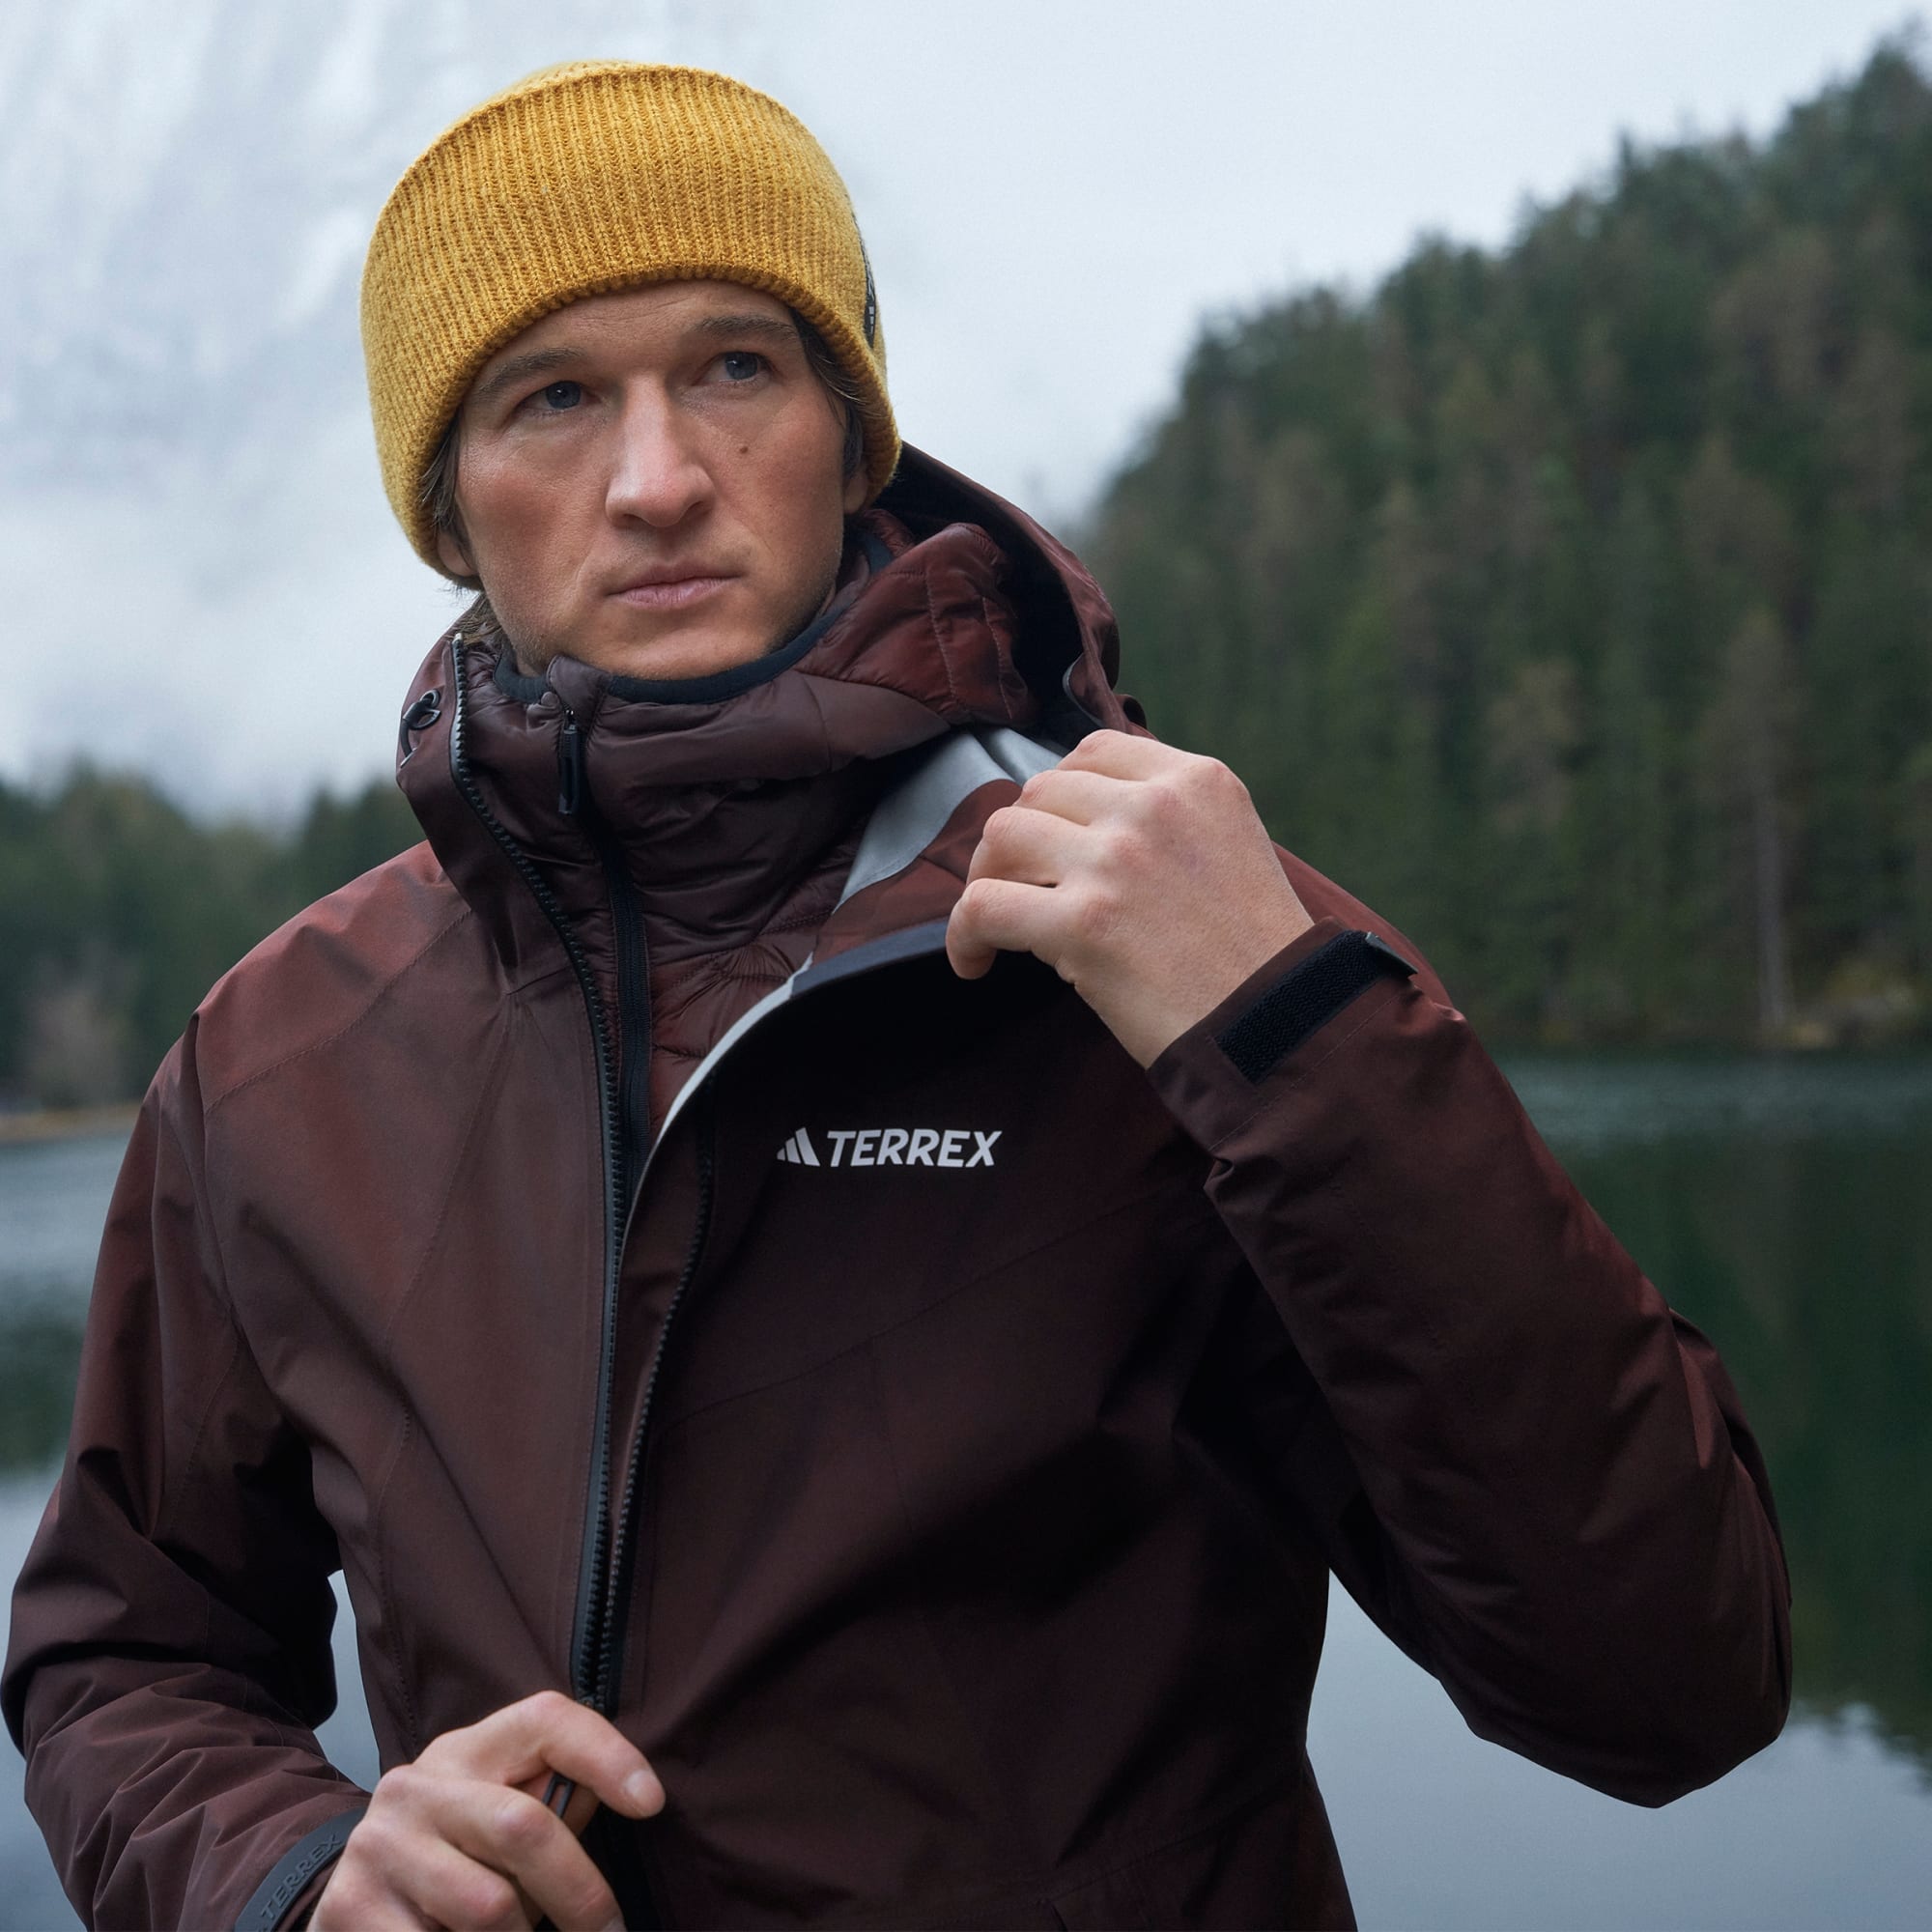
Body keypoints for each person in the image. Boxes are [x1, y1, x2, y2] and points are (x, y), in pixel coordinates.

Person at [4, 61, 1790, 1932]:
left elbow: (1669, 1680)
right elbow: (126, 1653)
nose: (657, 479)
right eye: (552, 398)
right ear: (448, 509)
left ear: (853, 436)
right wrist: (293, 1870)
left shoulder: (1179, 940)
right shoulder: (276, 1059)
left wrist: (1288, 1032)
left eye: (735, 366)